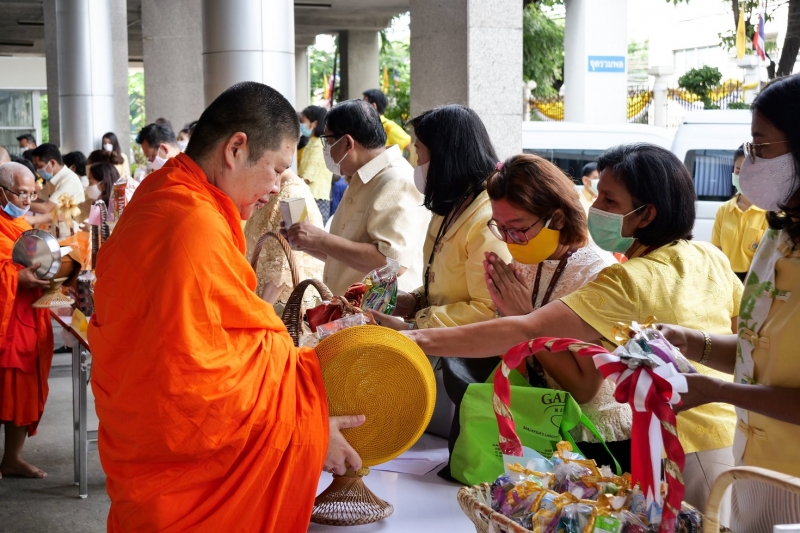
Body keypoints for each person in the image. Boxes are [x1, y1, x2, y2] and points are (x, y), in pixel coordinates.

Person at [407, 143, 742, 514]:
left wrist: (414, 339)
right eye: (597, 196)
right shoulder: (709, 256)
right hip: (729, 430)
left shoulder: (626, 279)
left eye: (610, 202)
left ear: (646, 214)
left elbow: (523, 330)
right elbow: (744, 340)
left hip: (675, 444)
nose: (595, 209)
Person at [88, 81, 364, 532]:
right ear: (236, 148)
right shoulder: (191, 221)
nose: (277, 188)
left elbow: (214, 341)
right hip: (182, 465)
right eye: (276, 169)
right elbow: (197, 384)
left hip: (146, 451)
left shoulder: (162, 195)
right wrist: (309, 425)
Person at [659, 74, 800, 532]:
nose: (749, 163)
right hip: (752, 471)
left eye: (761, 146)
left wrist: (715, 391)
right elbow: (753, 353)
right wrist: (690, 344)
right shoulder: (779, 238)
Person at [370, 105, 513, 439]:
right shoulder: (450, 206)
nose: (416, 162)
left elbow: (487, 309)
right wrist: (412, 300)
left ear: (446, 156)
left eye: (419, 151)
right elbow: (444, 280)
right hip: (438, 357)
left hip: (468, 369)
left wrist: (414, 324)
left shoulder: (487, 219)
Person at [284, 99, 429, 296]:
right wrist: (307, 242)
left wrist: (321, 239)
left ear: (346, 142)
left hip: (380, 319)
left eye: (327, 141)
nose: (326, 149)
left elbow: (391, 263)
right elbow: (346, 254)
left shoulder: (395, 180)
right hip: (352, 312)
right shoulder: (361, 178)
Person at [0, 162, 54, 479]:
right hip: (6, 321)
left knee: (21, 388)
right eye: (21, 193)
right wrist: (16, 279)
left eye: (31, 193)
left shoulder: (19, 225)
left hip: (25, 319)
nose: (26, 200)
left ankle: (12, 458)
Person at [244, 169, 325, 309]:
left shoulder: (293, 195)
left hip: (278, 306)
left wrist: (261, 311)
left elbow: (286, 262)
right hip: (260, 299)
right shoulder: (275, 188)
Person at [710, 144, 768, 281]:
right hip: (725, 278)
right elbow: (716, 249)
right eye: (738, 171)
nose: (742, 177)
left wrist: (748, 285)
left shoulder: (769, 213)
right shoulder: (724, 210)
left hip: (755, 280)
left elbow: (766, 258)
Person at [27, 143, 85, 238]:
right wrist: (18, 201)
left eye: (39, 166)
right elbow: (40, 199)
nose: (37, 170)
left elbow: (46, 207)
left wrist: (21, 204)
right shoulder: (54, 179)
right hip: (57, 232)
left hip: (70, 235)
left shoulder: (69, 180)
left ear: (52, 163)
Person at [298, 106, 333, 222]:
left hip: (316, 197)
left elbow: (309, 176)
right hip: (307, 195)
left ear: (314, 124)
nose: (301, 125)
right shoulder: (311, 143)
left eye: (303, 121)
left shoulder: (319, 145)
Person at [362, 89, 412, 153]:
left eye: (363, 104)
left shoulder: (389, 127)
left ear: (374, 106)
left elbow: (412, 149)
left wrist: (404, 163)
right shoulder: (367, 127)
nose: (361, 108)